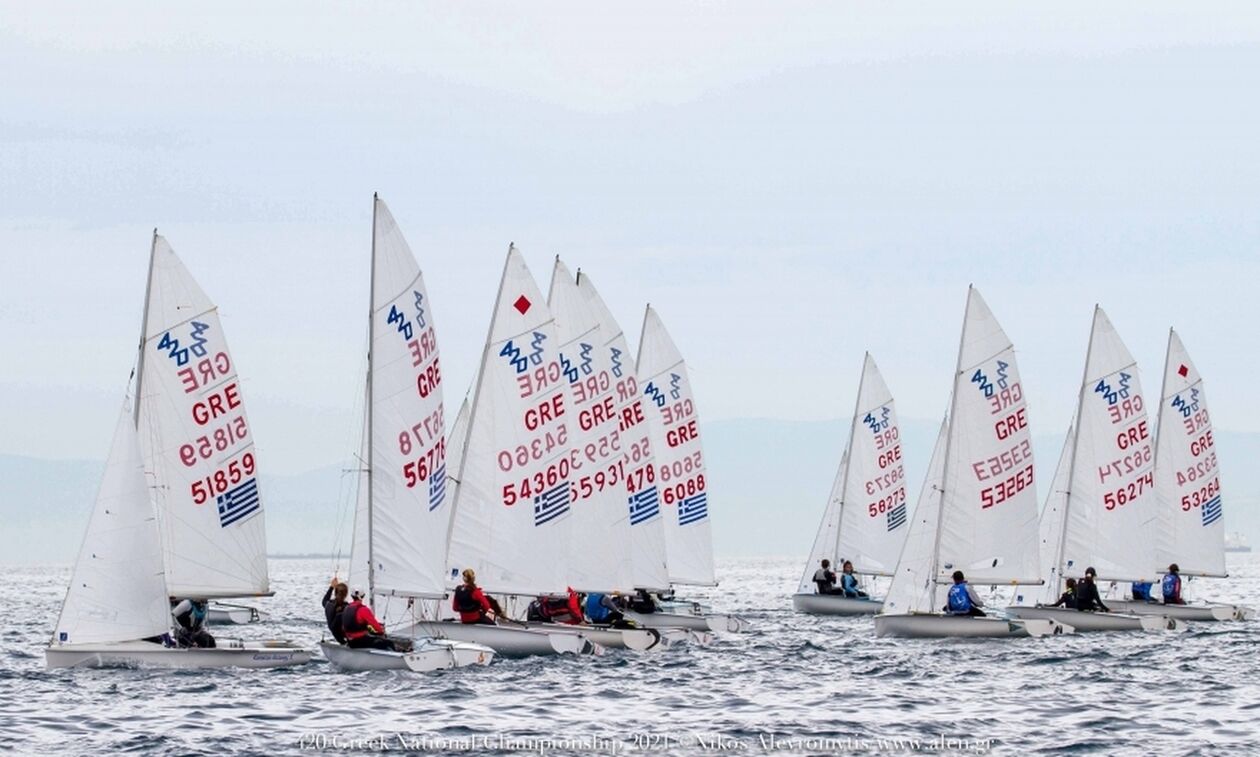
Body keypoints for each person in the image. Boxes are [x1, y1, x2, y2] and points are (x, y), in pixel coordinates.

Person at [322, 578, 348, 643]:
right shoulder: (346, 607)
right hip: (342, 633)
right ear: (346, 594)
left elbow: (324, 601)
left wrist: (331, 587)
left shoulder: (329, 604)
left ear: (335, 593)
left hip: (334, 631)